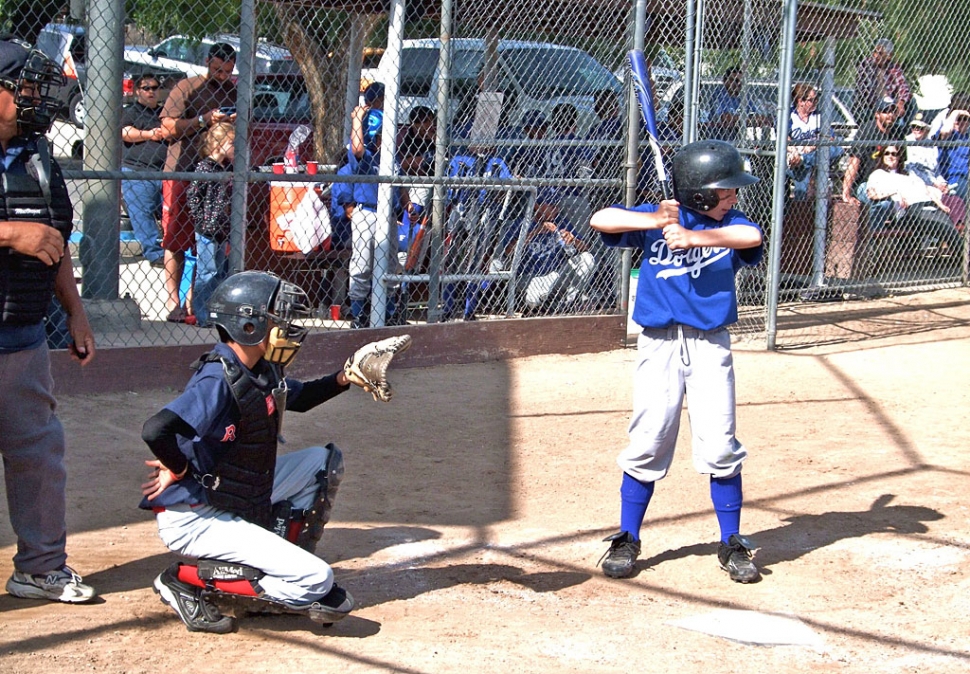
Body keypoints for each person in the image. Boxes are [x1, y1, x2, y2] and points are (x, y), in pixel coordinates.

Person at [140, 271, 360, 633]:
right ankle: (185, 581)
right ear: (247, 325)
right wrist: (177, 467)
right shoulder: (218, 378)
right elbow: (156, 428)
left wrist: (344, 377)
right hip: (195, 517)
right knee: (317, 581)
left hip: (230, 495)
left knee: (322, 464)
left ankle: (274, 569)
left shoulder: (258, 369)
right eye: (277, 318)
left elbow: (299, 398)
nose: (287, 327)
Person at [589, 140, 764, 584]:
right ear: (700, 194)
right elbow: (600, 219)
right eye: (725, 192)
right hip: (659, 344)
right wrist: (656, 221)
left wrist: (694, 237)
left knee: (720, 444)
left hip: (710, 345)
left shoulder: (731, 225)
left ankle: (732, 541)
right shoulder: (658, 217)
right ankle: (628, 536)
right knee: (648, 438)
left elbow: (752, 237)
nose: (734, 199)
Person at [0, 37, 97, 603]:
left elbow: (54, 242)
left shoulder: (37, 155)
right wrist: (11, 233)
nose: (36, 99)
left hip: (21, 337)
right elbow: (29, 237)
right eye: (24, 89)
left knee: (37, 454)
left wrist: (77, 314)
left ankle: (40, 567)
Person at [159, 42, 237, 324]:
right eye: (217, 69)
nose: (222, 76)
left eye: (227, 71)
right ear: (207, 61)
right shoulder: (186, 87)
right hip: (183, 171)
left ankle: (198, 302)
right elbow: (167, 128)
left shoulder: (231, 90)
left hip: (218, 173)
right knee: (176, 238)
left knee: (208, 243)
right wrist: (204, 120)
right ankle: (173, 301)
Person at [347, 107, 412, 328]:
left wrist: (407, 203)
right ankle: (358, 314)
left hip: (389, 216)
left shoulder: (391, 156)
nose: (388, 137)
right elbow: (356, 149)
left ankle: (388, 312)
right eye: (382, 132)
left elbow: (400, 183)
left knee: (391, 266)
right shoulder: (366, 155)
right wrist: (356, 120)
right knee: (363, 265)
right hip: (367, 213)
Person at [498, 188, 595, 314]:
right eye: (551, 205)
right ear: (537, 206)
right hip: (530, 277)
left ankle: (569, 302)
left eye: (557, 206)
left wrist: (573, 239)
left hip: (556, 274)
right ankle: (548, 304)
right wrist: (535, 231)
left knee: (587, 259)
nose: (556, 209)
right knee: (533, 300)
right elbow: (508, 252)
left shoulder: (560, 221)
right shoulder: (521, 223)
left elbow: (585, 248)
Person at [865, 144, 961, 256]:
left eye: (894, 154)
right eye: (887, 153)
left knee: (948, 226)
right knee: (943, 228)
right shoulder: (878, 174)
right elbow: (871, 194)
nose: (890, 156)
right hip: (909, 211)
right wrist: (895, 192)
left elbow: (927, 189)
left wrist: (940, 205)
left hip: (928, 204)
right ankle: (964, 256)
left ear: (899, 156)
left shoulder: (909, 174)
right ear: (882, 156)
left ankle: (962, 257)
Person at [186, 122, 234, 326]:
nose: (235, 147)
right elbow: (193, 195)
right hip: (208, 230)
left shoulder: (227, 168)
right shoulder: (205, 167)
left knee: (221, 272)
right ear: (218, 143)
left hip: (223, 229)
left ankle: (215, 312)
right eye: (231, 142)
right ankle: (202, 314)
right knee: (207, 272)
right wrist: (203, 219)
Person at [121, 74, 167, 266]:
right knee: (143, 214)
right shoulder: (131, 112)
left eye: (155, 88)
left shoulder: (164, 112)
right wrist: (149, 134)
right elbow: (125, 133)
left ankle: (169, 249)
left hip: (163, 171)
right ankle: (154, 253)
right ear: (137, 91)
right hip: (137, 171)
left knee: (167, 211)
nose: (151, 92)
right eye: (146, 88)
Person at [841, 96, 906, 231]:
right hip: (866, 184)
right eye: (885, 111)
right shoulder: (867, 132)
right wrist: (846, 192)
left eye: (893, 111)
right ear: (877, 114)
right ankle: (869, 238)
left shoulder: (898, 133)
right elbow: (854, 162)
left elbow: (901, 165)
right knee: (883, 205)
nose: (890, 115)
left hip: (892, 183)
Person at [853, 38, 911, 122]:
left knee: (911, 103)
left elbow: (903, 86)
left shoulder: (893, 67)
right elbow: (866, 92)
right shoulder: (866, 64)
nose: (875, 55)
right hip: (869, 107)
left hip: (890, 106)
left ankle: (903, 131)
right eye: (875, 52)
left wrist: (901, 102)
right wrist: (883, 106)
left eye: (880, 53)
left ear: (889, 55)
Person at [933, 93, 970, 202]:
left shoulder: (967, 136)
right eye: (958, 119)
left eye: (965, 119)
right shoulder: (950, 134)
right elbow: (944, 131)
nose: (961, 122)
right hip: (952, 179)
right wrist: (956, 112)